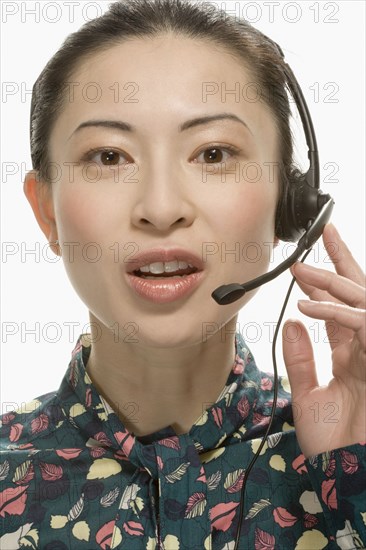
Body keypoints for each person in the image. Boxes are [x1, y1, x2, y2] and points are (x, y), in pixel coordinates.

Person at [0, 0, 365, 549]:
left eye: (213, 153)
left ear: (289, 205)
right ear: (47, 211)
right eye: (108, 157)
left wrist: (355, 484)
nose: (162, 206)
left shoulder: (349, 449)